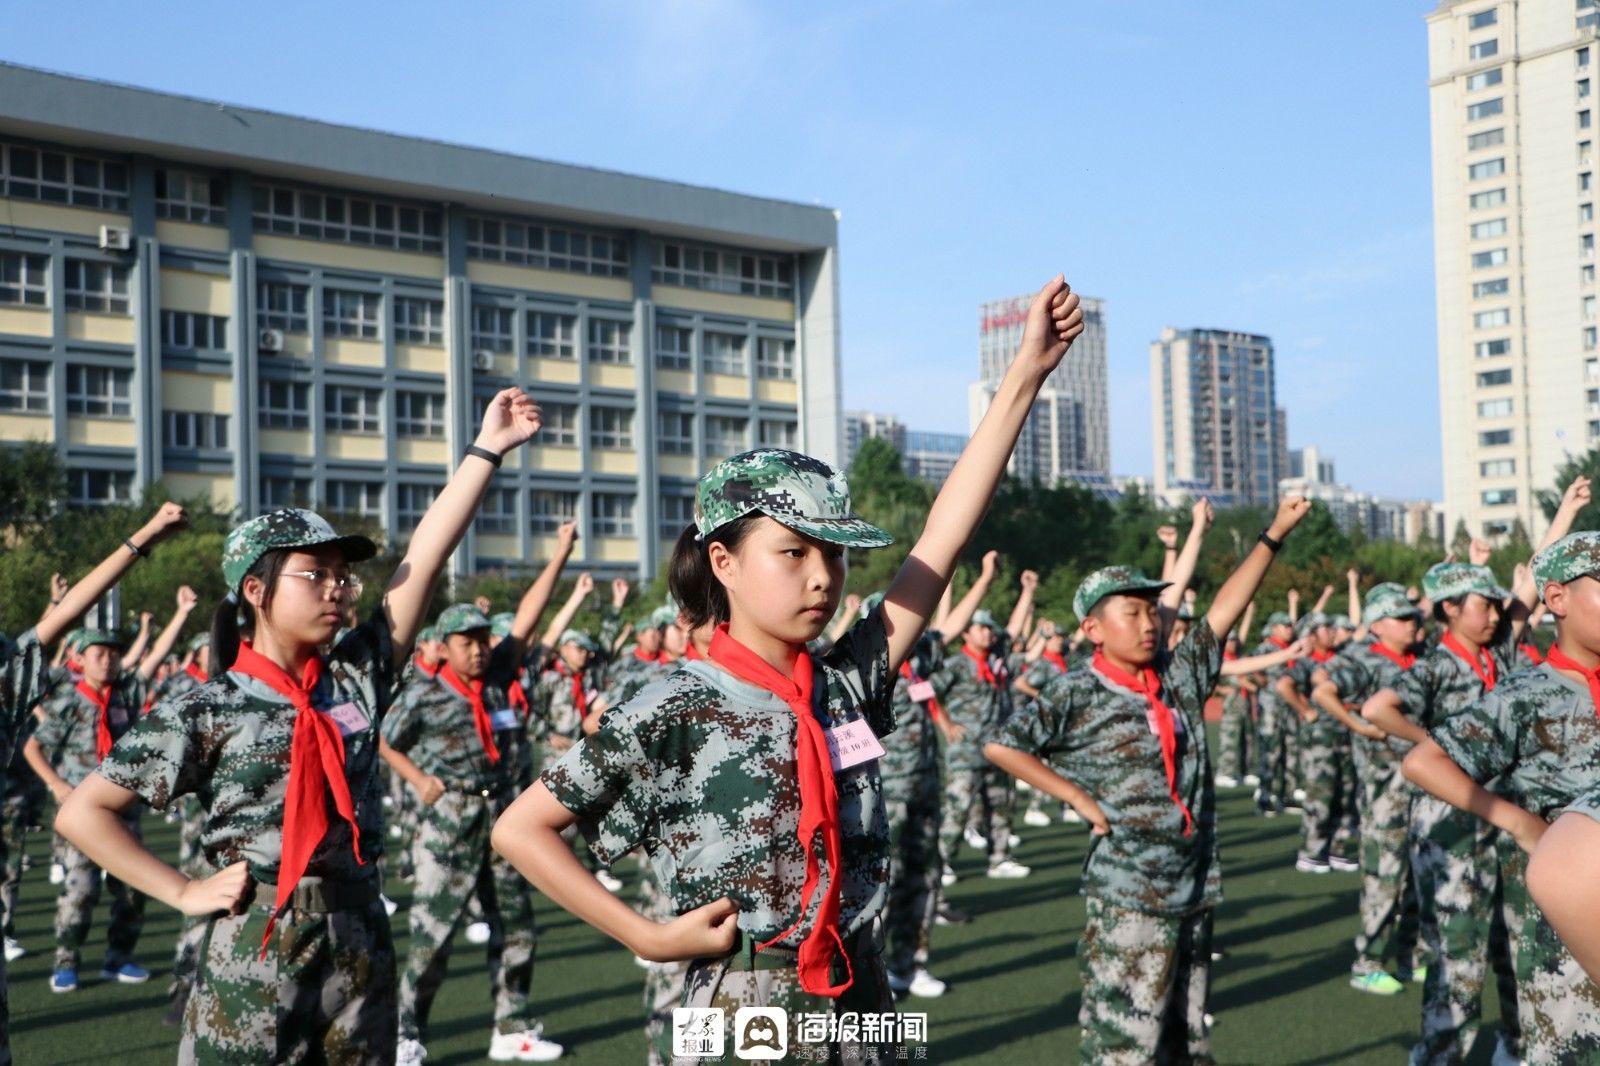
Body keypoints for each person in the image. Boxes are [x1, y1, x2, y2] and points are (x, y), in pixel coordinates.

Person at [491, 276, 1086, 1062]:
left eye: (834, 555)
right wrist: (647, 935)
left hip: (861, 988)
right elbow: (521, 828)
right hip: (743, 1004)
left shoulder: (844, 682)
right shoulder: (670, 702)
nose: (822, 576)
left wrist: (1023, 378)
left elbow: (941, 540)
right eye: (794, 552)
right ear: (723, 562)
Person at [55, 387, 544, 1064]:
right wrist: (183, 890)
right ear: (255, 591)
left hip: (358, 933)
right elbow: (84, 813)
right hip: (256, 939)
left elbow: (424, 559)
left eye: (344, 576)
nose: (338, 588)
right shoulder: (208, 703)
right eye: (315, 574)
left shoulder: (353, 677)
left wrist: (486, 451)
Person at [983, 494, 1312, 1064]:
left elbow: (1227, 608)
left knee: (1183, 1043)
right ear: (1093, 627)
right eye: (1130, 613)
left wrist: (1274, 533)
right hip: (1130, 894)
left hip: (1192, 886)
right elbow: (1002, 745)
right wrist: (1076, 797)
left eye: (1150, 611)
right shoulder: (1076, 691)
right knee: (1122, 1048)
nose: (1148, 622)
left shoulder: (1178, 677)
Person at [1403, 529, 1600, 1062]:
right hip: (1563, 938)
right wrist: (1517, 822)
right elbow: (1424, 761)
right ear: (1556, 598)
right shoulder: (1527, 693)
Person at [380, 543, 574, 1065]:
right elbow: (384, 740)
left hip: (505, 820)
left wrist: (559, 554)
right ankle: (404, 1033)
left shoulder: (498, 679)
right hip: (451, 822)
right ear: (443, 647)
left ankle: (510, 1027)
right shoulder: (423, 693)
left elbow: (529, 619)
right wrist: (417, 779)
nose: (479, 649)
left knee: (516, 927)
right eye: (466, 641)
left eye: (483, 639)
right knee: (431, 938)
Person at [26, 585, 198, 992]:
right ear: (80, 659)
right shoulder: (69, 702)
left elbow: (154, 657)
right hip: (82, 812)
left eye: (113, 653)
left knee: (132, 889)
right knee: (80, 890)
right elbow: (34, 747)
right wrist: (56, 784)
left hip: (123, 809)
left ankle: (118, 957)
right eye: (99, 654)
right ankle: (66, 961)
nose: (108, 660)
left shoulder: (125, 694)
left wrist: (182, 613)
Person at [1310, 583, 1431, 994]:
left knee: (1419, 871)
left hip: (1424, 784)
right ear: (1377, 625)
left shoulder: (1419, 658)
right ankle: (1368, 962)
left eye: (1412, 616)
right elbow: (1324, 692)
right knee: (1385, 872)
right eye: (1402, 618)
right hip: (1386, 787)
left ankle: (1410, 955)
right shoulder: (1364, 659)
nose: (1412, 623)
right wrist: (1360, 725)